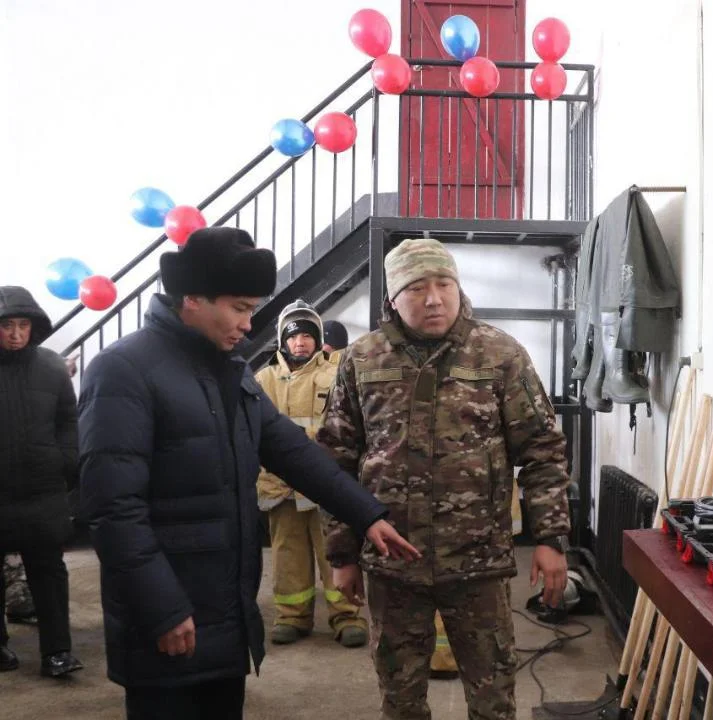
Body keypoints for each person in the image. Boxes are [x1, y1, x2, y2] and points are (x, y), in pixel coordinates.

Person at [78, 228, 419, 720]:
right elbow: (113, 510)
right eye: (239, 308)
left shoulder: (229, 369)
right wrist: (161, 609)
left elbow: (292, 452)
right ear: (192, 299)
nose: (248, 322)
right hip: (167, 612)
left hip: (225, 609)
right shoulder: (123, 371)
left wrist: (366, 514)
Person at [318, 238, 572, 720]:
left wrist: (551, 538)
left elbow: (543, 450)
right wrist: (342, 554)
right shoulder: (362, 359)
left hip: (478, 563)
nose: (434, 299)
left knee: (493, 700)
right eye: (417, 288)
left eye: (444, 284)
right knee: (400, 701)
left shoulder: (500, 354)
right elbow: (336, 461)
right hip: (393, 564)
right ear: (393, 298)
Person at [255, 301, 368, 648]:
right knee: (287, 555)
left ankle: (347, 616)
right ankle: (292, 617)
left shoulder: (335, 376)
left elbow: (344, 429)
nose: (300, 342)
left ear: (318, 340)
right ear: (282, 341)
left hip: (324, 485)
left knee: (334, 550)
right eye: (293, 336)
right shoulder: (263, 380)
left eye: (307, 336)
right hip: (279, 487)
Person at [0, 286, 83, 677]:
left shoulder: (51, 367)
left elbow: (68, 420)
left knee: (49, 572)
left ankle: (57, 652)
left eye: (23, 325)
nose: (16, 334)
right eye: (7, 326)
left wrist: (65, 461)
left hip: (42, 490)